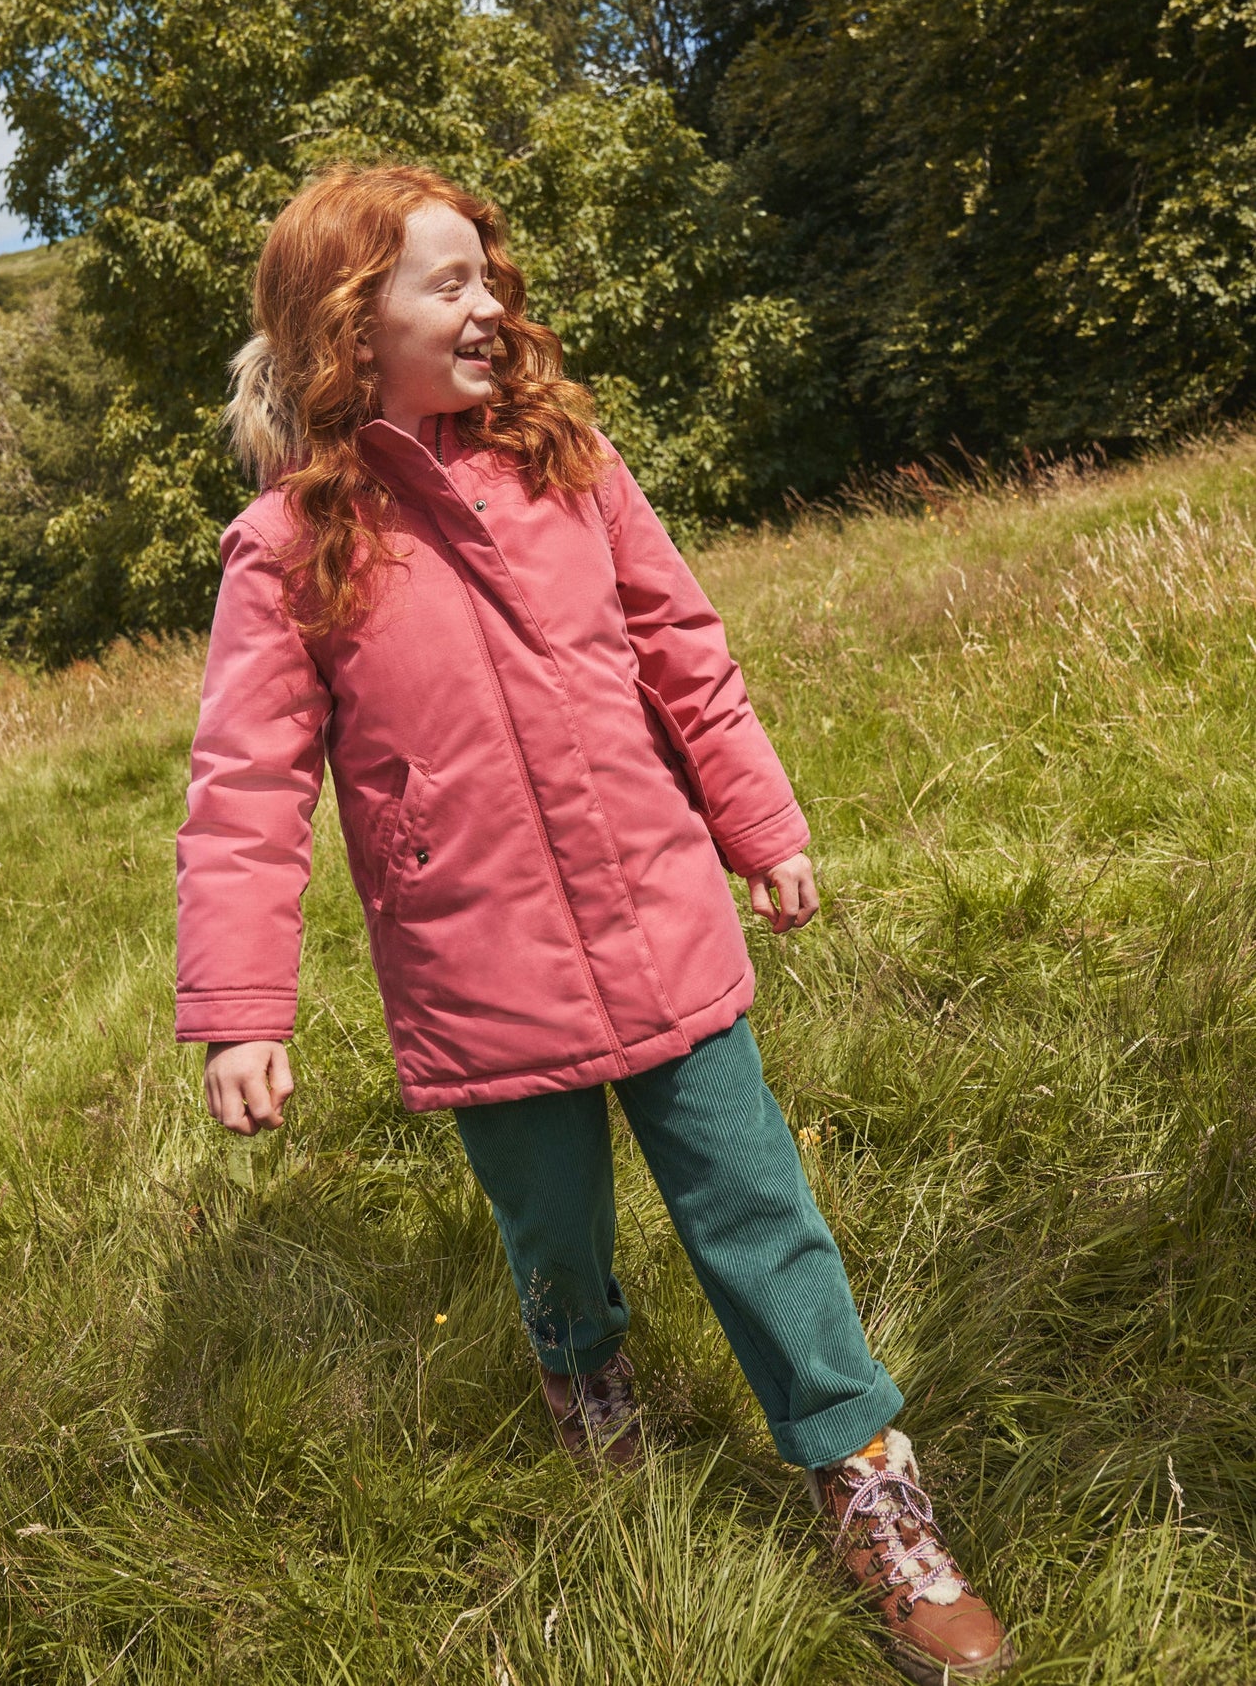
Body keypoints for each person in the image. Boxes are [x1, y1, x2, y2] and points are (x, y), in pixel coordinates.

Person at [174, 163, 1015, 1683]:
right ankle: (586, 1388)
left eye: (492, 276)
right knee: (551, 1242)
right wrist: (242, 1005)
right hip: (476, 971)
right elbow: (245, 785)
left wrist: (757, 823)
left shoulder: (570, 470)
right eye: (449, 285)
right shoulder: (289, 548)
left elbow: (682, 645)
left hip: (662, 924)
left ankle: (868, 1492)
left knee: (764, 1221)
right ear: (349, 326)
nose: (489, 305)